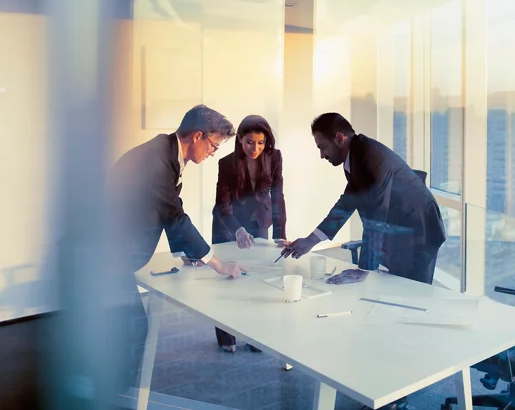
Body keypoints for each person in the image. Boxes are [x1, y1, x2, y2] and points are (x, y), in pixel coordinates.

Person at [109, 104, 247, 389]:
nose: (213, 153)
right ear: (197, 136)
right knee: (133, 327)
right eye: (213, 145)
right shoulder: (156, 161)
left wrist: (186, 252)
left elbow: (169, 207)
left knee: (125, 326)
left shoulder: (166, 153)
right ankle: (117, 393)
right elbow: (174, 215)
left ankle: (116, 389)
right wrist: (216, 262)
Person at [282, 112, 446, 286]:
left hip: (419, 228)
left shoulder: (371, 157)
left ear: (339, 138)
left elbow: (376, 215)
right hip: (400, 226)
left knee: (412, 292)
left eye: (323, 147)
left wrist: (363, 269)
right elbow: (346, 204)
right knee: (395, 288)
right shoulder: (355, 158)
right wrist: (310, 240)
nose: (322, 155)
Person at [212, 114, 287, 352]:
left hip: (259, 221)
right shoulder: (226, 164)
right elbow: (222, 205)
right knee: (227, 281)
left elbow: (278, 196)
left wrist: (280, 234)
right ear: (240, 141)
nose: (255, 148)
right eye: (249, 142)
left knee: (258, 278)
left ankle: (256, 335)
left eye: (261, 142)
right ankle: (226, 336)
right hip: (228, 224)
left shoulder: (274, 157)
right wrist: (238, 230)